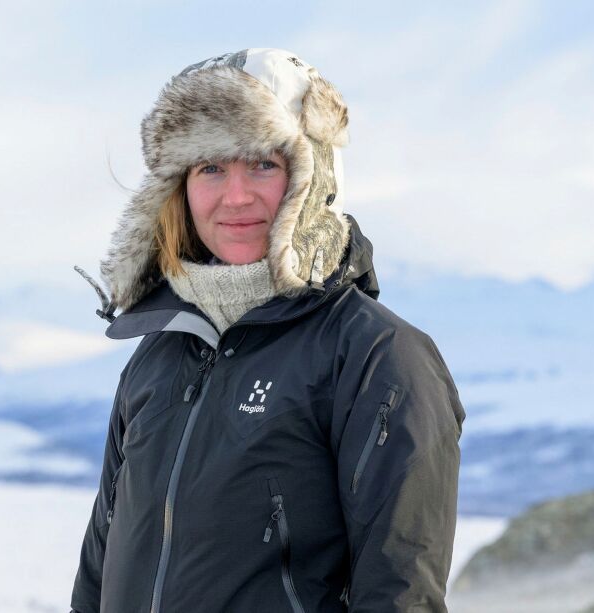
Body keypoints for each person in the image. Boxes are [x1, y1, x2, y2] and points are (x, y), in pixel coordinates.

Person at [70, 48, 465, 613]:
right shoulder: (160, 352)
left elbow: (401, 597)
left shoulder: (375, 356)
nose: (236, 196)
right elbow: (98, 574)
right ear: (176, 189)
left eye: (262, 163)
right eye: (210, 167)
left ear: (313, 176)